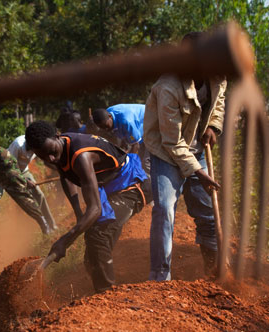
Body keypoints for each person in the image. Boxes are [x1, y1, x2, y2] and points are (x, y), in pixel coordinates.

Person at [25, 121, 151, 293]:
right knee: (92, 257)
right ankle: (96, 293)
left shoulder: (81, 156)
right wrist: (78, 214)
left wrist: (65, 240)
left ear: (57, 136)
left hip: (132, 184)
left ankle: (106, 295)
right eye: (43, 157)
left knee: (98, 233)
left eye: (52, 153)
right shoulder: (60, 148)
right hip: (108, 187)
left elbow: (95, 209)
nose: (51, 159)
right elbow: (66, 176)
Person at [144, 31, 227, 281]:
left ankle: (215, 273)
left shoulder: (217, 74)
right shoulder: (167, 86)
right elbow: (171, 141)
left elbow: (219, 100)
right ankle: (160, 277)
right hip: (167, 153)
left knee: (208, 212)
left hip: (197, 150)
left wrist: (213, 125)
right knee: (165, 210)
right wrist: (199, 173)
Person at [0, 134, 57, 230]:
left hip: (23, 171)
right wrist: (25, 181)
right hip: (5, 170)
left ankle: (52, 226)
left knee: (39, 194)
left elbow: (45, 160)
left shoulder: (38, 145)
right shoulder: (18, 145)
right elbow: (9, 167)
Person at [92, 104, 151, 180]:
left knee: (146, 163)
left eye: (106, 126)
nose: (106, 129)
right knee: (139, 162)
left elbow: (136, 145)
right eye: (102, 128)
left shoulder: (126, 121)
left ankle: (151, 189)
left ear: (110, 117)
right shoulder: (107, 116)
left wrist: (128, 163)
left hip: (153, 125)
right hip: (141, 131)